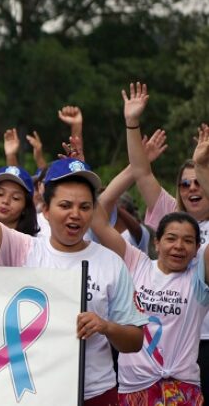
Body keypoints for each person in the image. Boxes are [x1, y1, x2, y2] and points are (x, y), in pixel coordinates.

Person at [0, 119, 147, 406]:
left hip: (95, 393)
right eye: (65, 205)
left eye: (85, 207)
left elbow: (135, 340)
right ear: (45, 211)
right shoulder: (23, 248)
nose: (75, 214)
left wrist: (105, 326)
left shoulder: (111, 263)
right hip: (34, 390)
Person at [123, 82, 209, 398]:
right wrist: (132, 124)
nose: (191, 188)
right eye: (184, 183)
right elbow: (142, 172)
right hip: (163, 350)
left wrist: (202, 164)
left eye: (199, 182)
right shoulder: (168, 212)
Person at [92, 206, 209, 404]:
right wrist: (136, 173)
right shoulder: (137, 264)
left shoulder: (198, 277)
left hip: (182, 389)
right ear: (156, 242)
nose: (179, 246)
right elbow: (97, 220)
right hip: (133, 388)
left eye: (188, 241)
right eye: (171, 238)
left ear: (198, 248)